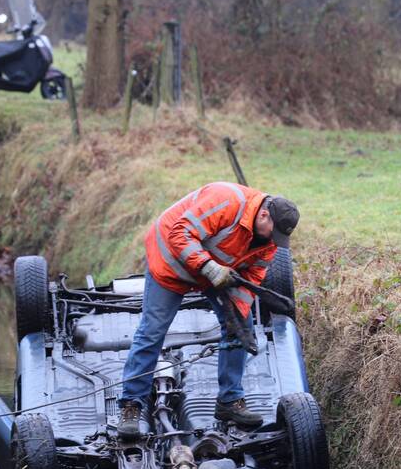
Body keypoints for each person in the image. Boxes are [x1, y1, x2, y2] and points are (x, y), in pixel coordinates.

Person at [117, 182, 300, 439]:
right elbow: (180, 234)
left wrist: (237, 315)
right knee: (153, 331)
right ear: (263, 214)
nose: (274, 240)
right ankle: (131, 405)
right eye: (274, 232)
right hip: (170, 261)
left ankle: (229, 402)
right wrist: (208, 267)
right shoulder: (226, 200)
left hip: (214, 268)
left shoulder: (270, 241)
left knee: (240, 325)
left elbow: (253, 274)